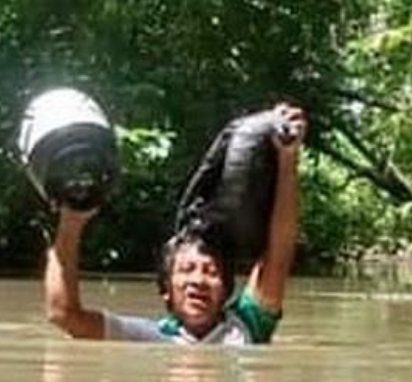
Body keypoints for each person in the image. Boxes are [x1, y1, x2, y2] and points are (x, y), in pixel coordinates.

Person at [44, 103, 307, 344]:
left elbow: (279, 253)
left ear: (226, 290)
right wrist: (71, 223)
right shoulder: (150, 338)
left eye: (211, 272)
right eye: (186, 269)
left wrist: (288, 159)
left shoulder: (248, 325)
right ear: (166, 290)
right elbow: (64, 315)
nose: (198, 280)